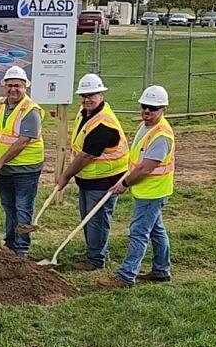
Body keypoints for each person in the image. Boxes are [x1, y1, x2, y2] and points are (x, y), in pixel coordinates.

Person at [99, 86, 175, 289]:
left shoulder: (161, 136)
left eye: (153, 108)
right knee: (156, 231)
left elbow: (145, 168)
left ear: (163, 108)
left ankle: (126, 276)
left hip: (153, 192)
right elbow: (137, 161)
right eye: (144, 107)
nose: (147, 111)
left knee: (138, 232)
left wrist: (124, 184)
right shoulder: (146, 126)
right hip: (148, 191)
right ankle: (161, 270)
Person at [55, 74, 129, 271]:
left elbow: (86, 155)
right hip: (89, 178)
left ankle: (96, 259)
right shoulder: (86, 111)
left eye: (92, 95)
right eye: (84, 95)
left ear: (101, 95)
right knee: (88, 217)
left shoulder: (104, 124)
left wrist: (65, 176)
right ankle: (96, 251)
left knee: (96, 220)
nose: (87, 99)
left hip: (105, 180)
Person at [0, 66, 45, 257]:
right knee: (8, 206)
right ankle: (9, 244)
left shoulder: (30, 110)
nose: (13, 89)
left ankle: (22, 249)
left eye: (18, 86)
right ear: (4, 86)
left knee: (23, 208)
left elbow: (23, 141)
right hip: (6, 168)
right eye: (10, 85)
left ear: (25, 87)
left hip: (26, 168)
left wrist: (0, 161)